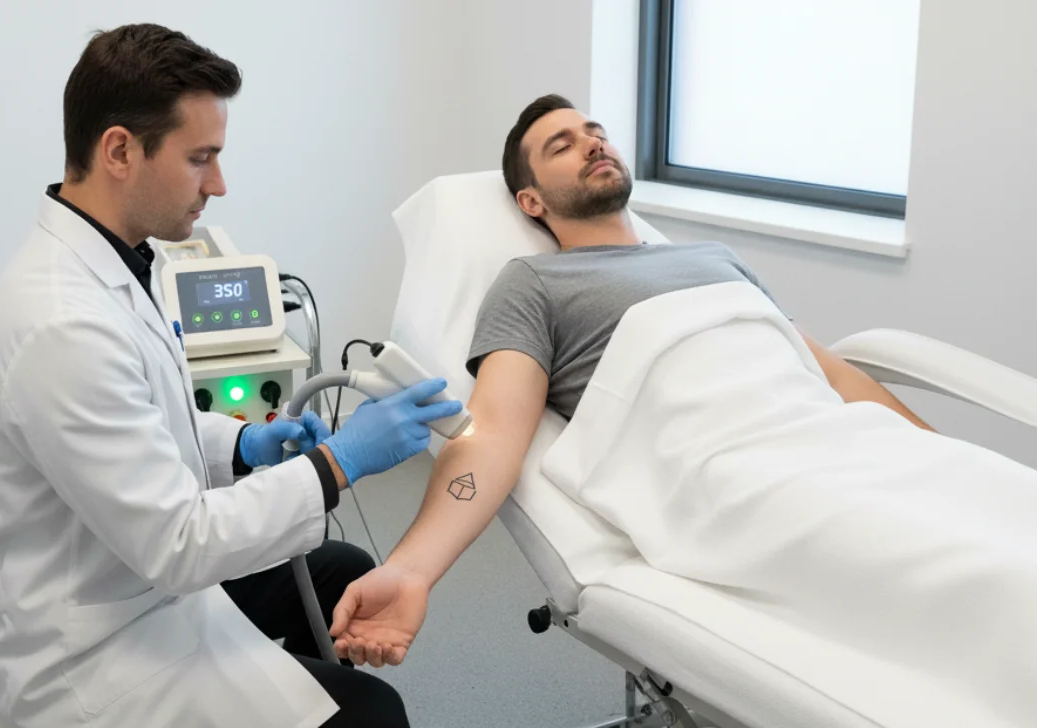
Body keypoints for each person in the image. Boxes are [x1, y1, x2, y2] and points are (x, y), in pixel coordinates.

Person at [324, 94, 936, 668]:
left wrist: (931, 452)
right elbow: (492, 435)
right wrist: (411, 570)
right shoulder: (533, 285)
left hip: (836, 442)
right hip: (741, 469)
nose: (593, 143)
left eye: (596, 133)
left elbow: (824, 370)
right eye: (561, 145)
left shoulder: (716, 258)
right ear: (531, 202)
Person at [0, 24, 460, 728]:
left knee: (338, 564)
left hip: (131, 582)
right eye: (201, 159)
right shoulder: (60, 323)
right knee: (373, 713)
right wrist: (334, 464)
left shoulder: (120, 261)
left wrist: (242, 446)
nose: (219, 185)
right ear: (119, 151)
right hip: (93, 649)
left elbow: (139, 414)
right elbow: (179, 544)